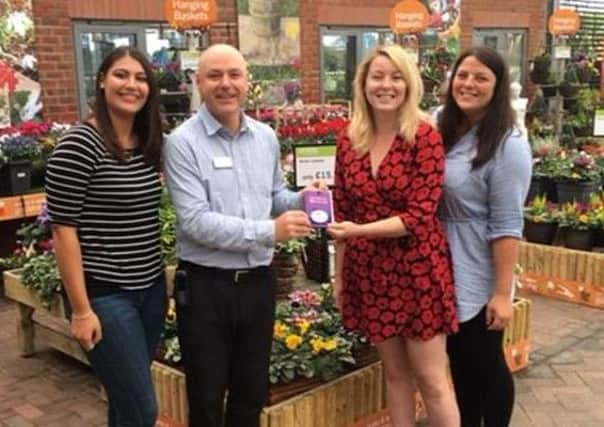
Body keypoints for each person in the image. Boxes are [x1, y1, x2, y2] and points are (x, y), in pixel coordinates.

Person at [163, 43, 320, 427]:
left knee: (250, 395)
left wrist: (302, 197)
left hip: (257, 285)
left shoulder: (264, 137)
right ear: (198, 82)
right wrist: (271, 230)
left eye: (234, 74)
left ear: (247, 81)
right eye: (215, 75)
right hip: (205, 288)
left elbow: (273, 196)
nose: (226, 84)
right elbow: (195, 222)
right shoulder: (182, 143)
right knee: (206, 398)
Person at [327, 44, 459, 427]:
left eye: (396, 76)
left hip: (417, 270)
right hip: (370, 273)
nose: (386, 85)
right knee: (396, 375)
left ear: (409, 84)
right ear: (363, 84)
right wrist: (340, 277)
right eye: (378, 76)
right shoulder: (348, 140)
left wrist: (359, 231)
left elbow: (419, 215)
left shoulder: (424, 137)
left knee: (432, 380)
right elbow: (343, 213)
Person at [45, 46, 165, 427]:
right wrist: (81, 310)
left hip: (150, 291)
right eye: (121, 75)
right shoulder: (79, 145)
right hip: (106, 296)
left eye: (141, 77)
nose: (132, 85)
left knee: (125, 401)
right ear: (101, 81)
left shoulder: (146, 144)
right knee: (142, 409)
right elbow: (63, 231)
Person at [437, 46, 532, 426]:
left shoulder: (508, 145)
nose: (469, 84)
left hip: (477, 264)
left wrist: (501, 292)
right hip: (442, 261)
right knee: (460, 361)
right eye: (463, 75)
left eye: (481, 78)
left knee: (485, 363)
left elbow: (508, 224)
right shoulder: (440, 124)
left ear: (497, 87)